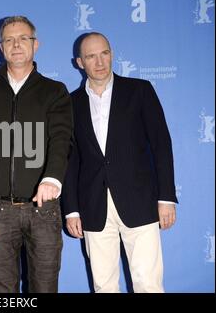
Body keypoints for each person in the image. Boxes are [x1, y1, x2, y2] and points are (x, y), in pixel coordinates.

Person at [63, 32, 177, 293]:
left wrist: (167, 197)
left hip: (140, 202)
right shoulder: (71, 104)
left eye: (104, 53)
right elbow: (70, 160)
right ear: (80, 62)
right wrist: (71, 210)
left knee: (148, 283)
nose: (99, 61)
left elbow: (161, 144)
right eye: (91, 56)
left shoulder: (139, 90)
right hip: (93, 206)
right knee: (103, 285)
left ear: (111, 54)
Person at [0, 16, 73, 293]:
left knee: (45, 287)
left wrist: (52, 178)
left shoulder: (55, 91)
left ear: (35, 44)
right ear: (1, 47)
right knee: (1, 290)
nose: (16, 45)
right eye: (9, 40)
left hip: (44, 209)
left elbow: (62, 139)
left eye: (23, 38)